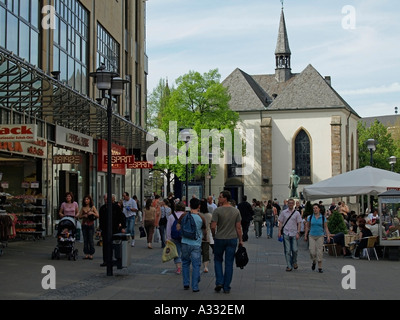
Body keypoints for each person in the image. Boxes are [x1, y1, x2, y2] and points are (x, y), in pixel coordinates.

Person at [211, 190, 243, 294]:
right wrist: (240, 240)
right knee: (229, 263)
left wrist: (213, 235)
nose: (219, 198)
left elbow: (213, 226)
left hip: (220, 238)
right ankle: (226, 286)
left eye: (220, 197)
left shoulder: (217, 211)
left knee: (218, 260)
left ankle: (219, 281)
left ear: (225, 198)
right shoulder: (235, 211)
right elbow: (238, 227)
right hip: (232, 238)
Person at [178, 198, 207, 292]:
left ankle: (186, 283)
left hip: (185, 242)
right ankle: (195, 286)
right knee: (196, 265)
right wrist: (204, 238)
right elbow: (204, 231)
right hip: (196, 244)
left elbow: (178, 226)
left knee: (185, 263)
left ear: (190, 205)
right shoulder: (201, 217)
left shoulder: (184, 215)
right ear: (199, 206)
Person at [99, 194, 126, 267]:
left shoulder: (116, 207)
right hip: (105, 229)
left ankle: (116, 259)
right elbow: (101, 220)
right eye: (105, 199)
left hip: (114, 229)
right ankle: (106, 260)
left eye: (108, 199)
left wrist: (122, 227)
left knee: (115, 245)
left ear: (113, 199)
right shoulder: (102, 208)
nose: (106, 200)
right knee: (105, 245)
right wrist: (100, 229)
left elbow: (122, 217)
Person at [304, 203, 331, 273]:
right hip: (312, 235)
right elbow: (307, 226)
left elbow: (326, 227)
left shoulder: (322, 218)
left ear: (319, 209)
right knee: (312, 251)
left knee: (319, 251)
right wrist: (305, 235)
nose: (315, 209)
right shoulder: (310, 217)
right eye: (314, 208)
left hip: (320, 235)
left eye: (316, 208)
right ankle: (314, 261)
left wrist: (328, 236)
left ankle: (320, 266)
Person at [278, 198, 302, 272]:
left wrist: (298, 232)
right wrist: (279, 231)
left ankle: (294, 262)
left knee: (295, 250)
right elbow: (281, 222)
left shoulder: (297, 213)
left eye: (292, 203)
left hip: (294, 233)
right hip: (286, 233)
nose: (290, 204)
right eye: (289, 203)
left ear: (294, 204)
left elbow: (299, 223)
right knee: (287, 250)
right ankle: (289, 265)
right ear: (287, 204)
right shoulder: (284, 212)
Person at [76, 195, 99, 260]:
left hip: (90, 225)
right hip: (84, 225)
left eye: (87, 199)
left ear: (90, 200)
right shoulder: (83, 208)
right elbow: (79, 216)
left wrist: (92, 213)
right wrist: (84, 215)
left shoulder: (92, 207)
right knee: (85, 240)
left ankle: (91, 253)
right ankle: (86, 253)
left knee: (90, 240)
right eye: (85, 199)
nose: (86, 201)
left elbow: (97, 215)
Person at [166, 201, 186, 275]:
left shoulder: (172, 216)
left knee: (176, 252)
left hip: (175, 237)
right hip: (185, 236)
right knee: (185, 252)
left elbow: (168, 227)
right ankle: (185, 266)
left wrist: (168, 238)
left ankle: (178, 268)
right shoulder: (186, 215)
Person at [199, 198, 212, 273]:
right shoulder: (209, 215)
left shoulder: (198, 215)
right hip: (206, 236)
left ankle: (196, 264)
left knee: (197, 251)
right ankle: (205, 267)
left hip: (198, 236)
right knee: (206, 252)